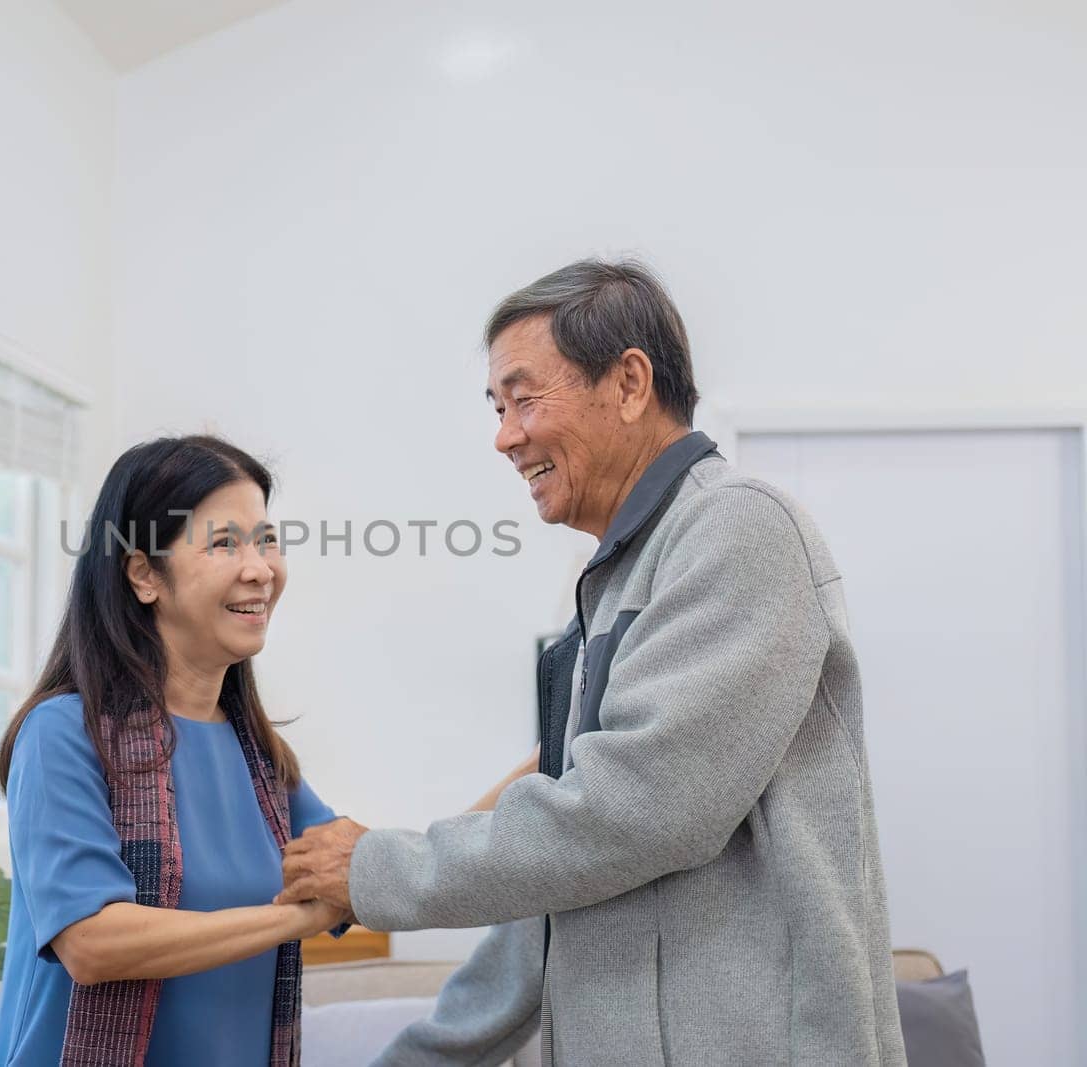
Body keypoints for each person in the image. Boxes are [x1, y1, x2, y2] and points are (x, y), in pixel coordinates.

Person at [276, 260, 908, 1066]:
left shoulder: (739, 531)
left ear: (630, 382)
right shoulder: (613, 585)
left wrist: (379, 869)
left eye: (525, 397)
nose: (506, 435)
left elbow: (634, 812)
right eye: (498, 407)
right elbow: (558, 878)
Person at [0, 435, 349, 1067]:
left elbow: (368, 870)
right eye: (224, 542)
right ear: (144, 574)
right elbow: (94, 943)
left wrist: (536, 777)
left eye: (266, 539)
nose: (261, 567)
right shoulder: (62, 734)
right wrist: (298, 919)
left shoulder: (261, 759)